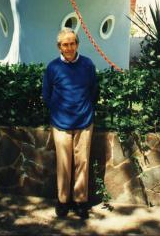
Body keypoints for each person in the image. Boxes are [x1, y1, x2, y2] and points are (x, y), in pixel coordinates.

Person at [43, 27, 99, 219]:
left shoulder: (87, 64)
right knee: (64, 164)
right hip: (60, 123)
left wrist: (85, 109)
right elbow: (47, 95)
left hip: (84, 121)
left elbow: (93, 91)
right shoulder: (52, 68)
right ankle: (63, 201)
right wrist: (58, 111)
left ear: (77, 44)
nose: (69, 47)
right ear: (59, 47)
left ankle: (81, 202)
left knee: (82, 162)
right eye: (65, 44)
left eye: (72, 43)